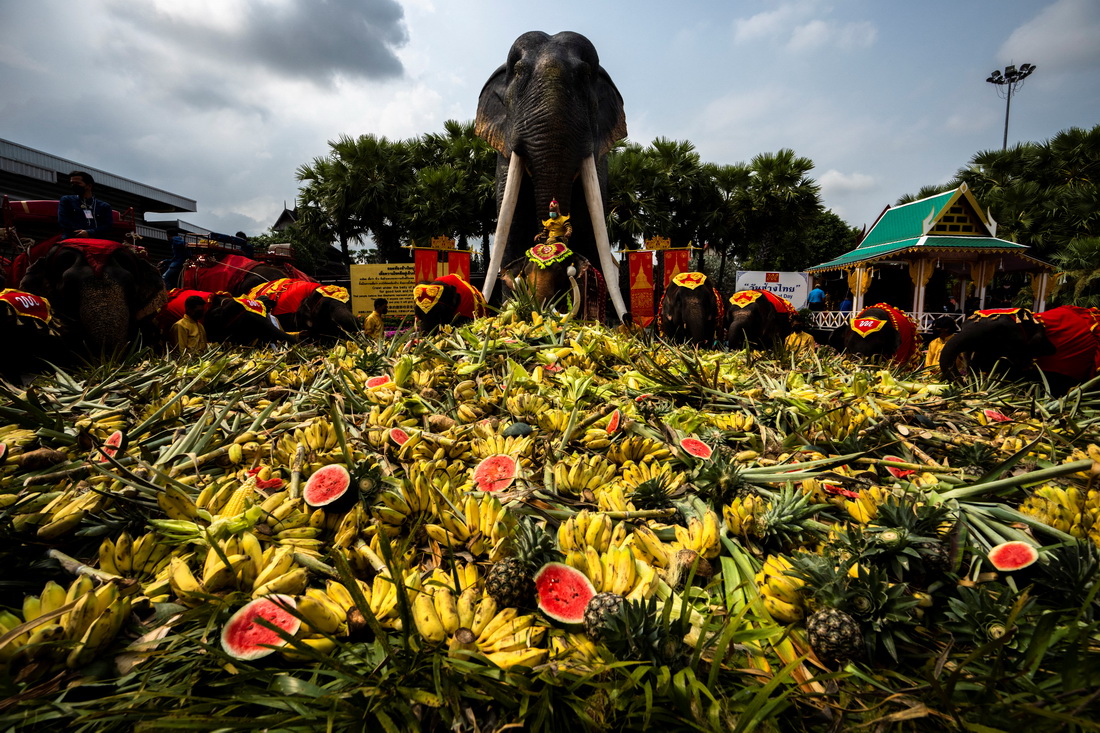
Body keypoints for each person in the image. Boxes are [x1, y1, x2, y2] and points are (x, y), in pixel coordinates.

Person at [58, 171, 113, 240]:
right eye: (72, 183)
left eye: (77, 183)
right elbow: (63, 221)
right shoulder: (67, 200)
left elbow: (107, 226)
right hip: (72, 239)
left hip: (98, 241)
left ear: (89, 186)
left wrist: (89, 232)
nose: (74, 186)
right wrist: (80, 233)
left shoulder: (104, 206)